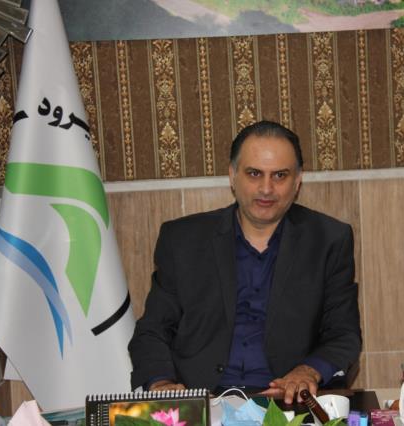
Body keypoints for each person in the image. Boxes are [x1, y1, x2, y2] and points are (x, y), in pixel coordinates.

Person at [129, 120, 361, 404]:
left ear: (297, 181)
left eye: (280, 175)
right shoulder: (182, 240)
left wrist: (308, 371)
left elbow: (343, 335)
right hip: (202, 400)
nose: (266, 188)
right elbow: (153, 330)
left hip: (286, 401)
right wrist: (162, 384)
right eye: (254, 174)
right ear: (232, 176)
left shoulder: (329, 240)